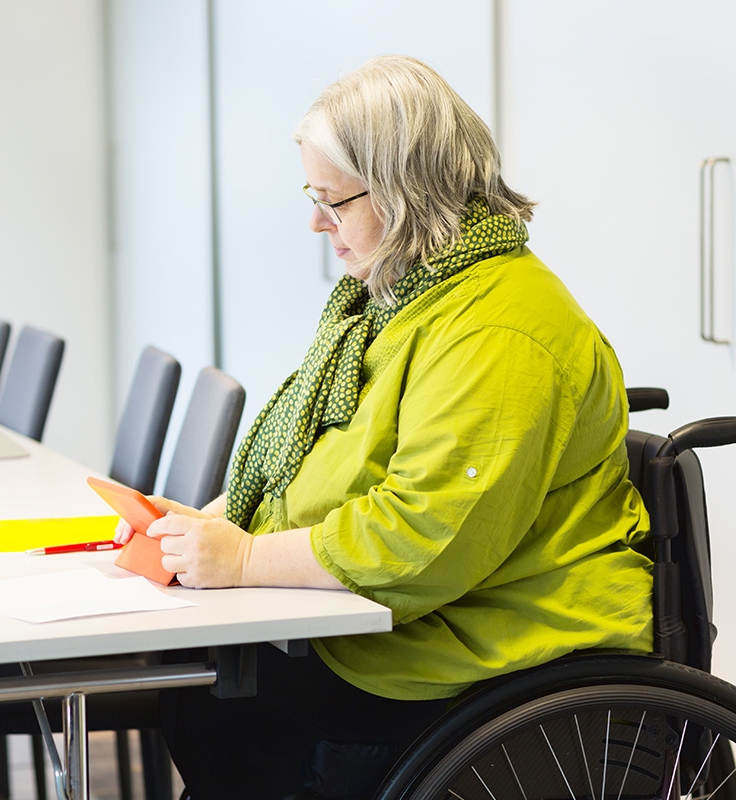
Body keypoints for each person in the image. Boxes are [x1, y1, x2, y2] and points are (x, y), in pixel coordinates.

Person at [116, 55, 653, 800]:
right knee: (210, 691)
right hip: (421, 624)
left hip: (496, 651)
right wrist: (209, 526)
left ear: (407, 190)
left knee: (228, 706)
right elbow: (325, 468)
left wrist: (245, 562)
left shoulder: (501, 330)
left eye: (333, 200)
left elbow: (420, 536)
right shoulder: (399, 303)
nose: (316, 221)